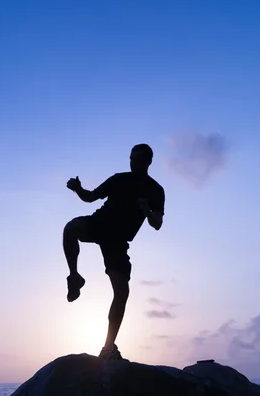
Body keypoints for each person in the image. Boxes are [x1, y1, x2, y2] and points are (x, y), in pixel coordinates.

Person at [63, 143, 165, 360]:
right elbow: (90, 197)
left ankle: (108, 346)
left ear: (148, 161)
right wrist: (77, 189)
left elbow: (157, 223)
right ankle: (74, 276)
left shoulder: (156, 190)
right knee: (70, 228)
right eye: (131, 158)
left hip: (117, 241)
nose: (132, 162)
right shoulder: (119, 179)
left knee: (122, 292)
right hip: (100, 223)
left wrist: (147, 210)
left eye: (137, 159)